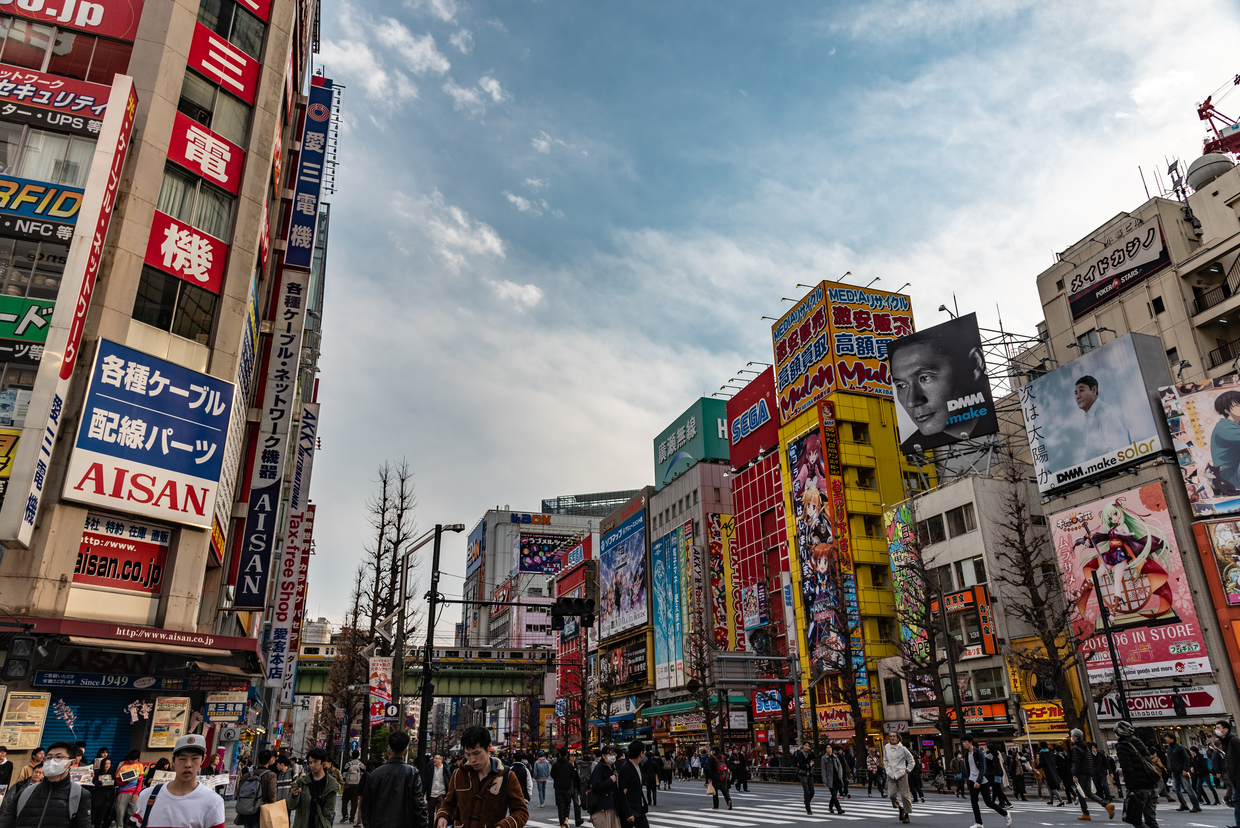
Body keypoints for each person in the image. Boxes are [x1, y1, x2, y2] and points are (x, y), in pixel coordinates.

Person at [889, 319, 992, 452]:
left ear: (975, 363)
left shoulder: (1003, 419)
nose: (911, 401)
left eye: (924, 378)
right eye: (902, 385)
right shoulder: (913, 446)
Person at [435, 725, 527, 828]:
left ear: (488, 747)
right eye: (468, 754)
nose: (472, 759)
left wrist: (504, 825)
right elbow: (448, 804)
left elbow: (521, 811)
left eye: (476, 753)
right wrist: (443, 816)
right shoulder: (458, 775)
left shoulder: (507, 776)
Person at [130, 734, 225, 828]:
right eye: (182, 758)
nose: (188, 764)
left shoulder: (213, 802)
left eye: (194, 758)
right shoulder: (147, 795)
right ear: (173, 760)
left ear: (203, 759)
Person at [0, 741, 90, 828]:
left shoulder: (79, 795)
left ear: (72, 763)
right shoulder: (26, 792)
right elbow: (6, 820)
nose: (52, 761)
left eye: (58, 757)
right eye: (49, 757)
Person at [358, 731, 425, 828]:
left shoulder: (375, 774)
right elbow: (419, 806)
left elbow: (366, 806)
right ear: (405, 753)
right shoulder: (412, 773)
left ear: (388, 752)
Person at [1075, 375, 1135, 460]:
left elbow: (1122, 454)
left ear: (1094, 390)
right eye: (1076, 393)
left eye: (1081, 390)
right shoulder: (1088, 418)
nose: (1078, 396)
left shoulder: (1107, 415)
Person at [1114, 720, 1158, 828]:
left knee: (1134, 818)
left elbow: (1127, 768)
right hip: (1150, 784)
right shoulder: (1139, 742)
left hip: (1138, 787)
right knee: (1151, 819)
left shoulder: (1122, 746)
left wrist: (1130, 788)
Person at [962, 734, 1010, 828]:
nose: (964, 744)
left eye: (965, 742)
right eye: (963, 742)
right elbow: (968, 768)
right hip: (972, 780)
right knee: (974, 802)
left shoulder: (978, 753)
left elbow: (983, 768)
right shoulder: (966, 754)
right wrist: (969, 779)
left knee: (988, 802)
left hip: (982, 780)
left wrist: (978, 781)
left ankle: (1005, 814)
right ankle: (979, 823)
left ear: (970, 742)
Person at [288, 748, 340, 828]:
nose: (312, 765)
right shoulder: (301, 782)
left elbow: (329, 811)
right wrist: (294, 795)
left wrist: (325, 824)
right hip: (302, 824)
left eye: (316, 762)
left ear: (323, 762)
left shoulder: (331, 784)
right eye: (310, 762)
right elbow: (291, 806)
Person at [235, 748, 277, 828]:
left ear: (257, 761)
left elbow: (238, 792)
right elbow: (272, 794)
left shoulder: (247, 775)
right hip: (261, 811)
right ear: (270, 761)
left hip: (246, 809)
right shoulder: (271, 775)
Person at [586, 745, 621, 828]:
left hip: (613, 806)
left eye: (614, 754)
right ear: (603, 756)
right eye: (610, 754)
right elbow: (595, 786)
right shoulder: (599, 768)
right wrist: (610, 781)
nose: (612, 756)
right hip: (602, 807)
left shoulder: (613, 769)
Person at [884, 733, 914, 824]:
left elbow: (911, 760)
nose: (892, 738)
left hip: (901, 773)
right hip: (890, 774)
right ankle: (900, 808)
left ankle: (907, 815)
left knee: (905, 795)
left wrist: (907, 770)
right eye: (891, 736)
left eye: (894, 736)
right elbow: (885, 759)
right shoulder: (886, 747)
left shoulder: (903, 749)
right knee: (892, 795)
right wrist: (887, 768)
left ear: (898, 738)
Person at [616, 741, 647, 828]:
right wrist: (628, 813)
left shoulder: (639, 766)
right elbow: (622, 793)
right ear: (641, 753)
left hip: (639, 808)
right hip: (630, 810)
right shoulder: (626, 768)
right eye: (644, 751)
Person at [550, 748, 580, 828]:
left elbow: (552, 775)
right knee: (567, 804)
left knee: (560, 806)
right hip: (568, 787)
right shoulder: (569, 764)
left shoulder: (555, 764)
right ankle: (566, 819)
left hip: (558, 787)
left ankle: (562, 825)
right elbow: (573, 776)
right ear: (566, 754)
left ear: (559, 754)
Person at [115, 749, 145, 826]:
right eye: (131, 760)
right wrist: (126, 781)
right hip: (122, 792)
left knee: (132, 813)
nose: (133, 761)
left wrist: (136, 793)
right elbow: (118, 781)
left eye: (134, 760)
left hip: (134, 792)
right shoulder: (123, 766)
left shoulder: (140, 766)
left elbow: (140, 781)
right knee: (120, 813)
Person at [426, 753, 451, 824]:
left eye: (436, 758)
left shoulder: (445, 770)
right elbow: (426, 782)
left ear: (441, 760)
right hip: (432, 794)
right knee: (430, 814)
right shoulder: (430, 769)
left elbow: (449, 781)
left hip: (441, 793)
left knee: (440, 813)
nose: (434, 760)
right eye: (434, 758)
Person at [820, 744, 845, 815]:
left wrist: (840, 775)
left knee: (834, 794)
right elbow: (823, 770)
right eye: (827, 748)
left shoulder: (835, 756)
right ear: (825, 749)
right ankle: (839, 809)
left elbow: (839, 766)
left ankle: (830, 806)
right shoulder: (824, 758)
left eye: (830, 748)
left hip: (836, 777)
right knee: (834, 794)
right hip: (829, 778)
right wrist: (824, 780)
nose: (829, 749)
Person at [341, 750, 364, 823]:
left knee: (344, 801)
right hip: (356, 787)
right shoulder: (361, 765)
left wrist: (344, 784)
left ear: (352, 755)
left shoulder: (348, 764)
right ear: (358, 756)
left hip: (348, 786)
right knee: (354, 804)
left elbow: (344, 774)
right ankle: (352, 818)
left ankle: (345, 815)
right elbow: (362, 776)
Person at [92, 757, 116, 828]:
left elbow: (114, 785)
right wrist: (98, 784)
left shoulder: (111, 774)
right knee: (92, 817)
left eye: (109, 764)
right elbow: (92, 786)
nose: (107, 765)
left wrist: (112, 784)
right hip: (96, 798)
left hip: (105, 799)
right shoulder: (97, 774)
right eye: (106, 763)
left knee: (100, 818)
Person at [794, 743, 816, 815]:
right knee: (806, 791)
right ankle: (808, 809)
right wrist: (809, 765)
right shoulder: (800, 754)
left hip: (809, 774)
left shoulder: (809, 754)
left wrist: (811, 750)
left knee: (812, 791)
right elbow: (801, 764)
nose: (807, 747)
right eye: (806, 745)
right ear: (803, 746)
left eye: (808, 746)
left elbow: (814, 757)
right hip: (803, 774)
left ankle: (807, 801)